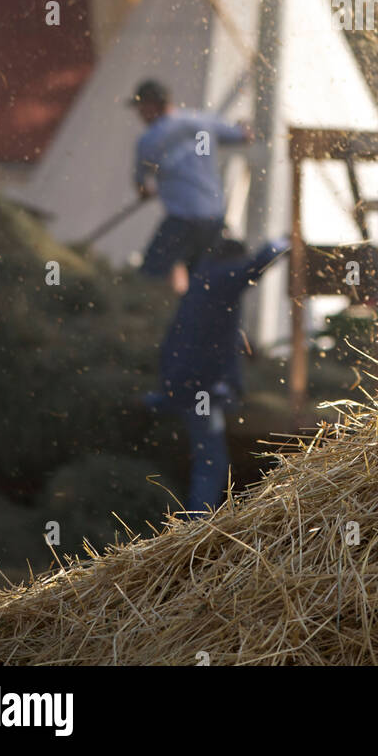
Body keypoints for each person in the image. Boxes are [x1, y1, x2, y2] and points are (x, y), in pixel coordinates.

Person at [144, 238, 290, 513]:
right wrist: (283, 243)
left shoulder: (203, 282)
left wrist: (244, 347)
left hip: (181, 381)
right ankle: (195, 529)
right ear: (233, 260)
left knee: (207, 456)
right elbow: (255, 267)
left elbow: (213, 329)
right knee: (211, 462)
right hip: (199, 389)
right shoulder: (222, 276)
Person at [127, 78, 253, 284]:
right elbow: (245, 135)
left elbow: (141, 186)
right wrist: (243, 125)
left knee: (148, 278)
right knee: (201, 282)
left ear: (151, 105)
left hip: (182, 220)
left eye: (140, 108)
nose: (139, 114)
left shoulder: (148, 140)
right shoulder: (202, 122)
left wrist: (148, 191)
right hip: (214, 218)